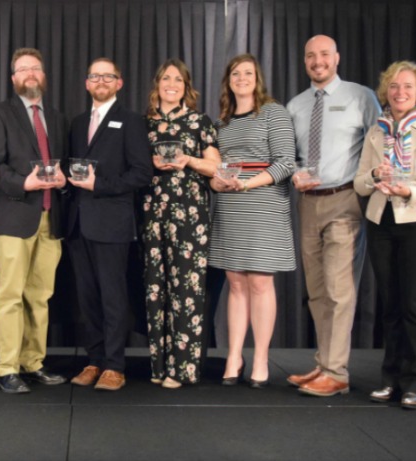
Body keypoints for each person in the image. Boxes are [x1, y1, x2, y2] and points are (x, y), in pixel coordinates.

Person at [286, 35, 380, 397]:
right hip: (308, 204)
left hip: (346, 201)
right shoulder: (296, 104)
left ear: (337, 57)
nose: (317, 61)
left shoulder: (361, 96)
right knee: (317, 292)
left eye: (324, 54)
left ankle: (337, 371)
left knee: (340, 290)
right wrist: (295, 170)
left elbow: (380, 143)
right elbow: (290, 154)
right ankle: (324, 363)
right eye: (310, 55)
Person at [0, 48, 68, 394]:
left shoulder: (58, 119)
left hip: (51, 218)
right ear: (13, 77)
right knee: (10, 296)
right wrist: (23, 183)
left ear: (43, 76)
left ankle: (33, 363)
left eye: (36, 68)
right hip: (13, 217)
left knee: (40, 296)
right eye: (23, 69)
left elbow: (62, 164)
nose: (30, 73)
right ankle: (6, 368)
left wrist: (63, 181)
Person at [209, 54, 296, 388]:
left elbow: (286, 162)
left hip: (263, 204)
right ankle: (234, 355)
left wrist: (248, 182)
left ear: (257, 79)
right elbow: (218, 166)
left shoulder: (274, 111)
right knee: (234, 281)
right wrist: (217, 182)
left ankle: (260, 358)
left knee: (259, 281)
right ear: (228, 80)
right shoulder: (224, 121)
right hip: (231, 205)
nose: (241, 78)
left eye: (248, 73)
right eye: (235, 73)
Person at [67, 57, 153, 391]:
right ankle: (94, 360)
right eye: (95, 76)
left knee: (113, 297)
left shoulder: (131, 122)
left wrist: (99, 185)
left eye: (108, 76)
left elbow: (142, 173)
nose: (101, 81)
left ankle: (115, 365)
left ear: (119, 83)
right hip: (77, 223)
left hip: (112, 222)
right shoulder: (76, 123)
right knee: (86, 298)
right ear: (87, 83)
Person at [354, 61, 416, 410]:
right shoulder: (377, 131)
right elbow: (359, 182)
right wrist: (375, 172)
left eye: (408, 87)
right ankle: (391, 378)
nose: (400, 92)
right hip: (380, 221)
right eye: (394, 86)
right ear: (386, 91)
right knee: (390, 306)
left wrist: (408, 192)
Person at [142, 59, 220, 388]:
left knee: (187, 289)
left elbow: (215, 167)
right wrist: (152, 162)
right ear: (157, 84)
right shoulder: (143, 123)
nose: (171, 84)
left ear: (186, 86)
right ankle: (159, 367)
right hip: (153, 213)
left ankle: (183, 369)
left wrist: (188, 160)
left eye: (178, 79)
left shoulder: (199, 121)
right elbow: (132, 164)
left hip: (189, 215)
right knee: (156, 289)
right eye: (165, 78)